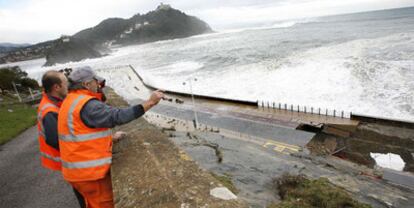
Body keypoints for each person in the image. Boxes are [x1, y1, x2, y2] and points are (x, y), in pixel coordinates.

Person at [58, 66, 164, 208]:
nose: (98, 84)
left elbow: (81, 133)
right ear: (86, 84)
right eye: (95, 81)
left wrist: (110, 138)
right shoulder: (87, 104)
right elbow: (118, 116)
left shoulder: (71, 100)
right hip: (90, 175)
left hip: (77, 172)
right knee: (105, 204)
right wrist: (150, 102)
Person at [37, 70, 85, 208]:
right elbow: (56, 140)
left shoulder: (52, 102)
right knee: (84, 195)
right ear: (56, 87)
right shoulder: (49, 111)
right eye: (65, 83)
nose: (68, 86)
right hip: (70, 161)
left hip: (69, 160)